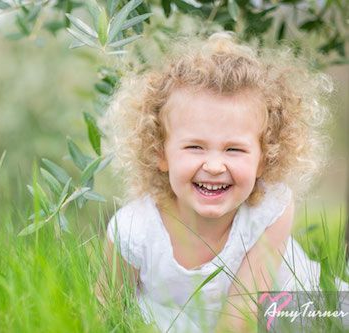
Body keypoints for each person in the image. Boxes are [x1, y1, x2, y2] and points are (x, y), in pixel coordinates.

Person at [94, 32, 347, 332]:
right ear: (160, 153)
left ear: (263, 159)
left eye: (234, 149)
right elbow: (104, 313)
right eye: (194, 147)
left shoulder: (270, 210)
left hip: (288, 312)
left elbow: (241, 311)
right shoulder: (134, 231)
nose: (214, 166)